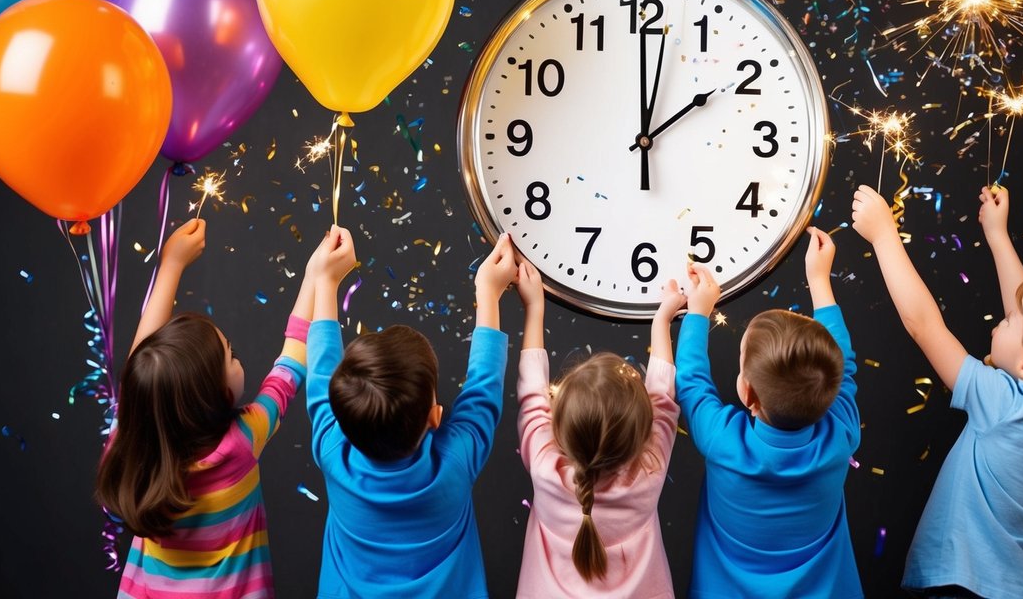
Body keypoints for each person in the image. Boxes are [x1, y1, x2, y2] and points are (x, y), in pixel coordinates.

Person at [851, 184, 1023, 599]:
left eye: (1011, 320)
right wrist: (997, 235)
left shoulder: (1003, 403)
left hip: (964, 588)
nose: (1003, 319)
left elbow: (924, 324)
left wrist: (883, 236)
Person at [96, 218, 354, 598]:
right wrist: (317, 276)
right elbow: (290, 365)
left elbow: (143, 370)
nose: (237, 358)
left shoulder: (129, 444)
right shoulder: (241, 442)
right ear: (217, 395)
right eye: (229, 357)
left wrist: (171, 264)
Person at [306, 232, 518, 598]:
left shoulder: (332, 453)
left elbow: (321, 375)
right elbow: (483, 388)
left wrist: (324, 282)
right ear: (436, 416)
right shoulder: (454, 462)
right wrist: (488, 291)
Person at [676, 228, 862, 599]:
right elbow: (846, 364)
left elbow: (691, 382)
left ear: (746, 393)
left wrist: (697, 312)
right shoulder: (841, 433)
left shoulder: (722, 440)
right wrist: (819, 280)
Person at [514, 258, 683, 598]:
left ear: (557, 425)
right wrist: (663, 318)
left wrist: (534, 306)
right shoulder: (649, 470)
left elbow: (532, 395)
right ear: (643, 430)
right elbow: (663, 397)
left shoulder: (545, 467)